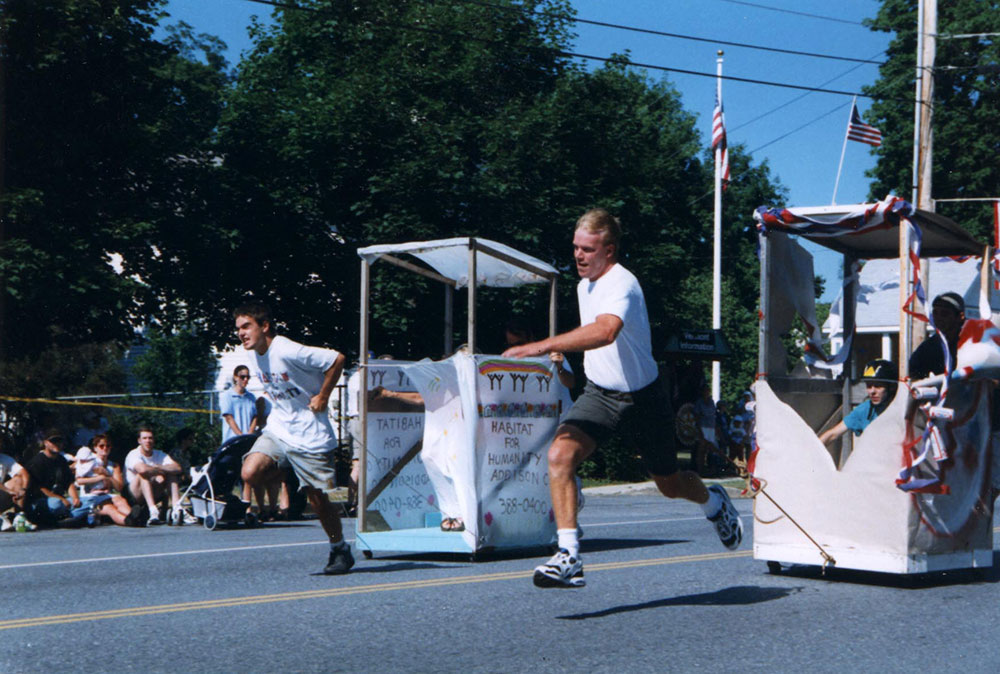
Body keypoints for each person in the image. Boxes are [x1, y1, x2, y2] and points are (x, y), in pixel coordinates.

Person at [503, 208, 742, 588]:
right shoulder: (584, 285)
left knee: (670, 484)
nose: (579, 256)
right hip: (600, 392)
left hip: (643, 398)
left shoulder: (622, 284)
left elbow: (605, 331)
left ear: (609, 250)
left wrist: (540, 345)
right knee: (559, 455)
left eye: (588, 249)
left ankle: (714, 503)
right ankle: (569, 555)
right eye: (575, 248)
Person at [235, 302, 353, 575]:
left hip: (310, 435)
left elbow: (337, 359)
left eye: (246, 326)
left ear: (264, 326)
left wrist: (323, 395)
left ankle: (340, 549)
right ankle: (289, 475)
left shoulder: (286, 350)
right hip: (279, 430)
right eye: (238, 329)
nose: (241, 333)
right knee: (249, 471)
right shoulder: (254, 353)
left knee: (320, 501)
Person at [819, 359, 898, 446]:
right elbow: (832, 434)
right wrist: (812, 450)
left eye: (878, 386)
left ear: (892, 387)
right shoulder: (865, 410)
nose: (872, 391)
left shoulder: (902, 409)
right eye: (869, 386)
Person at [124, 427, 185, 525]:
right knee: (143, 475)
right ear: (139, 441)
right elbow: (142, 470)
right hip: (134, 494)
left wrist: (159, 468)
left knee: (172, 475)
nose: (148, 441)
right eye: (144, 438)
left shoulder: (159, 454)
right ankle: (153, 511)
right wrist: (159, 472)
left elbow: (177, 468)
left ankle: (176, 509)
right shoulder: (133, 454)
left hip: (153, 490)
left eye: (150, 438)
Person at [74, 434, 133, 526]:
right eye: (101, 446)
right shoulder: (88, 461)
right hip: (90, 497)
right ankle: (129, 521)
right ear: (95, 448)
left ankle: (133, 516)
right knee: (110, 508)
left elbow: (119, 487)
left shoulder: (113, 465)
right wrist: (99, 478)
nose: (105, 448)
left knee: (120, 500)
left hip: (106, 495)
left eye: (108, 446)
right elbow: (79, 479)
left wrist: (107, 475)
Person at [24, 433, 80, 527]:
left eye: (59, 441)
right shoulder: (37, 461)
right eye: (53, 441)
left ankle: (64, 518)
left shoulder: (61, 460)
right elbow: (39, 488)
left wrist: (75, 498)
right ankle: (59, 519)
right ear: (45, 443)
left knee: (86, 502)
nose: (57, 444)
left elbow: (69, 483)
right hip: (41, 500)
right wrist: (61, 499)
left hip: (60, 499)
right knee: (57, 504)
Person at [909, 292, 966, 381]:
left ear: (960, 316)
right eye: (935, 313)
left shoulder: (972, 341)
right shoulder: (928, 348)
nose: (938, 318)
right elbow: (913, 375)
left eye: (944, 314)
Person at [221, 365, 258, 443]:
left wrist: (249, 435)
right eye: (243, 377)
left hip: (248, 441)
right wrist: (241, 437)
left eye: (248, 377)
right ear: (235, 377)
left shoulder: (251, 397)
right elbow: (229, 418)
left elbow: (255, 417)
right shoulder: (227, 396)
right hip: (232, 441)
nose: (246, 379)